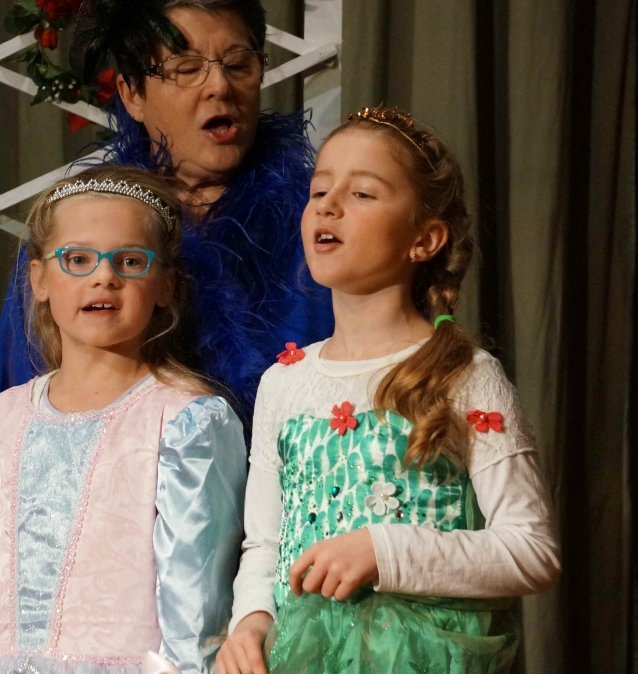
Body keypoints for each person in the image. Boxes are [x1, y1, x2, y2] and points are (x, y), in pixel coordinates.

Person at [216, 108, 561, 673]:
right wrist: (251, 621)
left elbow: (532, 551)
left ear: (424, 239)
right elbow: (265, 544)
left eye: (362, 194)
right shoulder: (284, 382)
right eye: (319, 190)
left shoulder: (465, 375)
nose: (328, 206)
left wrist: (384, 550)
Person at [0, 166, 246, 674]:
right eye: (78, 259)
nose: (103, 277)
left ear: (164, 285)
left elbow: (196, 615)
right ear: (39, 279)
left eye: (129, 260)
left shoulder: (186, 423)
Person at [0, 0, 334, 424]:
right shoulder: (74, 233)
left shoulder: (322, 221)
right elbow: (18, 412)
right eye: (186, 69)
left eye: (238, 65)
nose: (220, 86)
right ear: (132, 94)